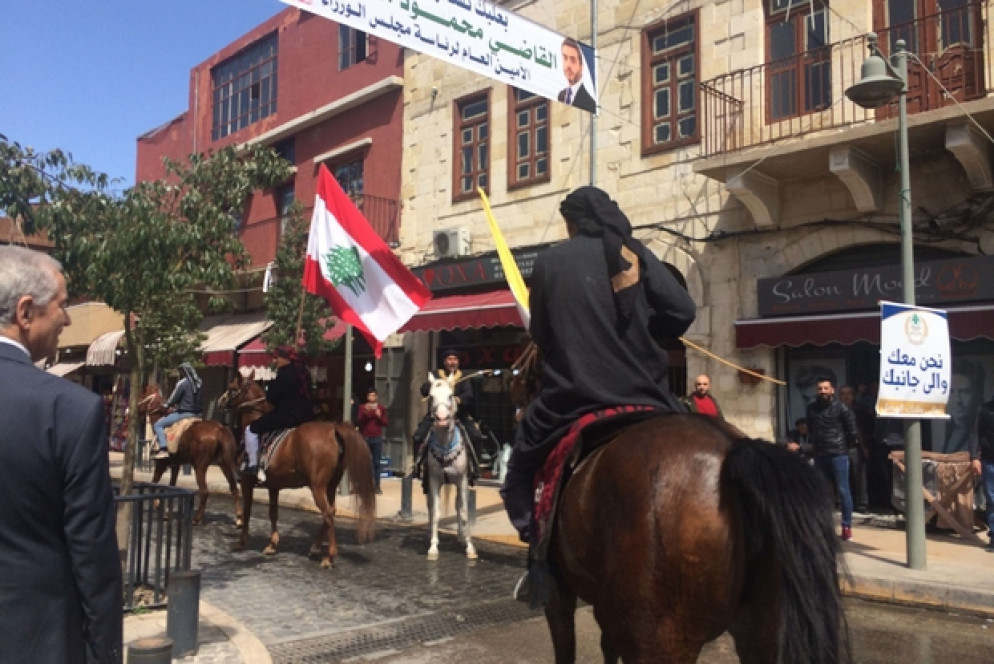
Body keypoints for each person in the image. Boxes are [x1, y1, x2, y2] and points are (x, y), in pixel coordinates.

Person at [501, 186, 696, 597]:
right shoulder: (635, 253)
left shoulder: (552, 261)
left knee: (517, 473)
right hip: (649, 397)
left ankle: (538, 553)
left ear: (573, 223)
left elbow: (541, 333)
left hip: (575, 397)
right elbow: (682, 311)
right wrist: (647, 331)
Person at [0, 246, 123, 663]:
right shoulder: (70, 410)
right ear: (25, 312)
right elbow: (92, 550)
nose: (67, 319)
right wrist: (105, 650)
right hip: (38, 639)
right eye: (63, 305)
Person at [242, 346, 315, 482]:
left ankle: (252, 465)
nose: (275, 361)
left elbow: (271, 398)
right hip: (307, 415)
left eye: (276, 358)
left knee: (251, 429)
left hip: (287, 416)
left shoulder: (284, 374)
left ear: (284, 358)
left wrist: (270, 390)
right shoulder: (304, 371)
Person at [411, 348, 484, 483]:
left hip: (459, 415)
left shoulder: (463, 377)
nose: (452, 362)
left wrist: (457, 400)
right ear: (444, 362)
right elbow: (424, 389)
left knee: (476, 437)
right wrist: (433, 386)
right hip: (437, 415)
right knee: (418, 436)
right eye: (449, 359)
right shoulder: (436, 374)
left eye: (455, 359)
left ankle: (474, 467)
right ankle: (417, 466)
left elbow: (468, 396)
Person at [807, 376, 860, 541]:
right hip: (820, 455)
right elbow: (811, 429)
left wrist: (844, 448)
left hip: (838, 454)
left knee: (843, 490)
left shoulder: (842, 409)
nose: (822, 391)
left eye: (825, 388)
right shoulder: (812, 409)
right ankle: (823, 525)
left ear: (832, 390)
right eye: (820, 388)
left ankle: (846, 526)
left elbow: (852, 432)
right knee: (821, 492)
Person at [152, 361, 203, 460]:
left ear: (184, 371)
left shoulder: (183, 383)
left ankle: (163, 448)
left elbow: (173, 399)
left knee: (158, 425)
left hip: (184, 414)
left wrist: (166, 405)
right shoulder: (199, 383)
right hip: (198, 414)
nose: (180, 373)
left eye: (181, 371)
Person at [839, 384, 873, 513]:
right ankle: (844, 503)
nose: (846, 396)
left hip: (857, 447)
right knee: (843, 477)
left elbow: (868, 428)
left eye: (849, 393)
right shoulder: (836, 409)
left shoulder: (861, 410)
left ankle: (862, 503)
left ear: (853, 396)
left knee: (860, 477)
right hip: (839, 447)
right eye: (843, 393)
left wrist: (866, 445)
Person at [944, 358, 984, 454]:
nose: (957, 400)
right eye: (952, 392)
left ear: (978, 395)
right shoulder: (950, 431)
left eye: (964, 392)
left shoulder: (982, 434)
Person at [970, 395, 994, 552]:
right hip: (989, 460)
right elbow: (974, 434)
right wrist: (974, 458)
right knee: (992, 499)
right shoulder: (984, 410)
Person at [357, 386, 387, 494]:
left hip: (377, 438)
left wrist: (379, 416)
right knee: (365, 462)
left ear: (377, 396)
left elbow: (385, 423)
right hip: (365, 437)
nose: (371, 397)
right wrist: (366, 413)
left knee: (376, 463)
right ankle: (364, 485)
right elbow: (359, 421)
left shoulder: (381, 408)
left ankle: (377, 486)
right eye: (370, 395)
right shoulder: (362, 407)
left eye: (373, 395)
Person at [557, 38, 596, 113]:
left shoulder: (589, 102)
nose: (568, 65)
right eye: (565, 58)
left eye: (573, 60)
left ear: (581, 66)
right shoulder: (561, 95)